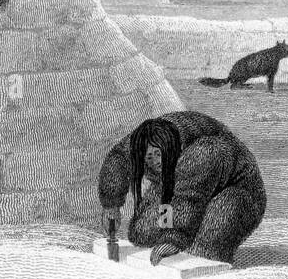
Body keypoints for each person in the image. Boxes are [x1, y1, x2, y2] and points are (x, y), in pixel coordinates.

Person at [98, 111, 265, 265]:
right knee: (143, 236)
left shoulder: (201, 153)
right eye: (148, 156)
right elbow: (119, 158)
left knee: (202, 252)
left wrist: (173, 239)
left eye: (158, 154)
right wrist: (111, 205)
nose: (154, 161)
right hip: (179, 184)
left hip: (235, 194)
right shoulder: (143, 138)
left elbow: (188, 199)